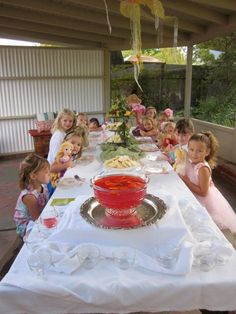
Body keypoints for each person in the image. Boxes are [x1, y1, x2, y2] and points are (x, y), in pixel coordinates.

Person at [181, 131, 236, 233]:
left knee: (205, 223)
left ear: (207, 152)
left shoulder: (202, 169)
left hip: (203, 199)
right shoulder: (192, 160)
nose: (194, 154)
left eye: (199, 151)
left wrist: (187, 181)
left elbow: (203, 192)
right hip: (194, 192)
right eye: (191, 149)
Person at [14, 154, 51, 238]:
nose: (49, 174)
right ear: (34, 176)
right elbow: (36, 220)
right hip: (27, 224)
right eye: (46, 172)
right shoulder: (30, 197)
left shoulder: (42, 186)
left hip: (39, 215)